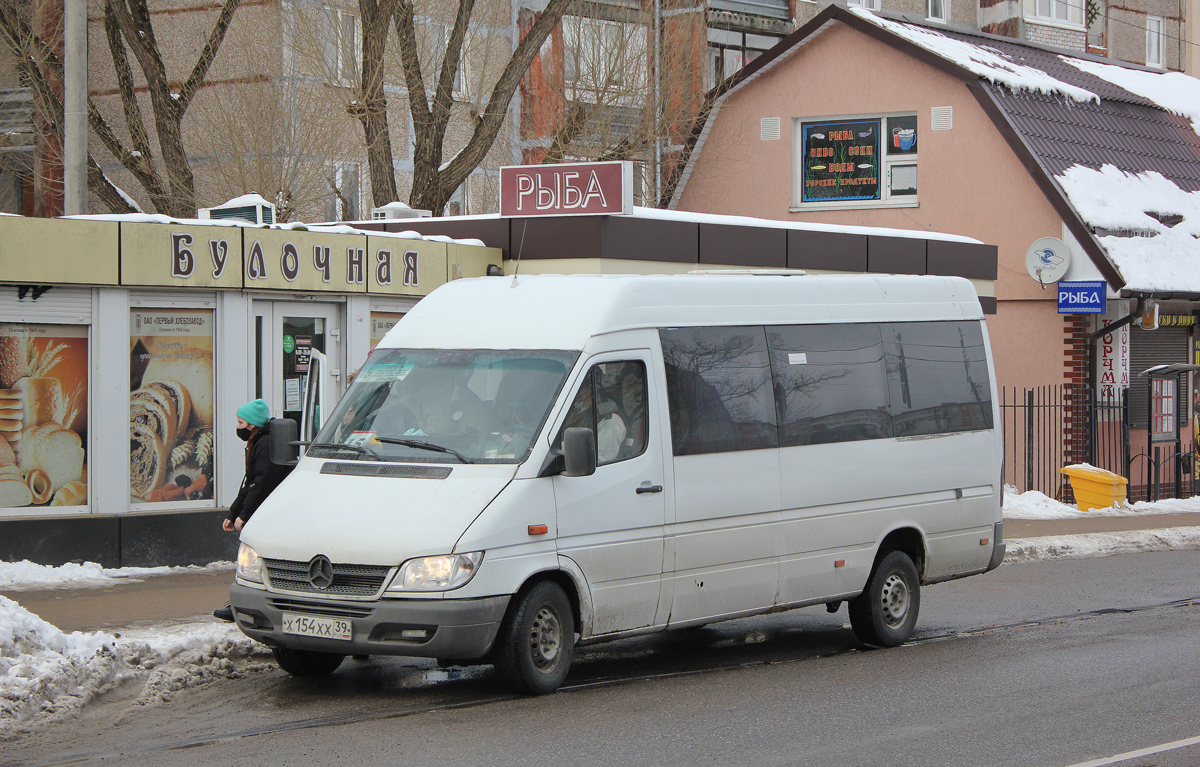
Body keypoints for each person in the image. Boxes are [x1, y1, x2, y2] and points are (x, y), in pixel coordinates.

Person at [214, 399, 293, 622]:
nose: (237, 427)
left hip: (268, 514)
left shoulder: (265, 444)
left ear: (252, 424)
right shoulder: (258, 441)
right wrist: (233, 513)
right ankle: (244, 603)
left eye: (240, 423)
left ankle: (248, 605)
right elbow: (250, 482)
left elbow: (261, 483)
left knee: (255, 560)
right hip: (265, 511)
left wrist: (244, 515)